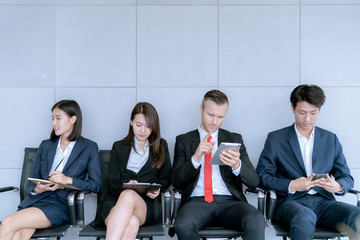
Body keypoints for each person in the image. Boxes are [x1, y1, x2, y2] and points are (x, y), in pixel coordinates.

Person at [256, 84, 360, 240]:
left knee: (357, 216)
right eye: (302, 112)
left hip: (324, 203)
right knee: (304, 217)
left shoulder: (330, 139)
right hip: (291, 202)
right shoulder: (276, 139)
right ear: (293, 108)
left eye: (313, 113)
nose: (307, 119)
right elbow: (262, 177)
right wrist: (291, 185)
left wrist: (337, 186)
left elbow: (346, 177)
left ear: (319, 110)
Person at [0, 100, 102, 240]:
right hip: (36, 201)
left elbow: (96, 185)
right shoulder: (46, 145)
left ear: (73, 119)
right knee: (18, 235)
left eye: (58, 118)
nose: (54, 123)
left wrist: (68, 180)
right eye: (52, 118)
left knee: (7, 223)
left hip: (61, 205)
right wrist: (38, 189)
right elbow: (32, 182)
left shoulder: (88, 147)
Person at [171, 89, 265, 240]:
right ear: (201, 110)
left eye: (220, 117)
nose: (215, 121)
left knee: (256, 218)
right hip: (197, 202)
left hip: (230, 202)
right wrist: (195, 158)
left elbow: (254, 181)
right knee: (183, 224)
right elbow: (176, 181)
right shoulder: (184, 140)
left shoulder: (235, 139)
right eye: (210, 115)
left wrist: (237, 165)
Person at [99, 102, 171, 240]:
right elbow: (111, 182)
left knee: (130, 195)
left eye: (148, 126)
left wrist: (157, 188)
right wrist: (125, 185)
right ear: (131, 122)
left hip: (144, 205)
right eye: (139, 125)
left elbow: (166, 178)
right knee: (131, 222)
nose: (143, 131)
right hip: (114, 204)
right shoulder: (119, 147)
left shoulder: (161, 146)